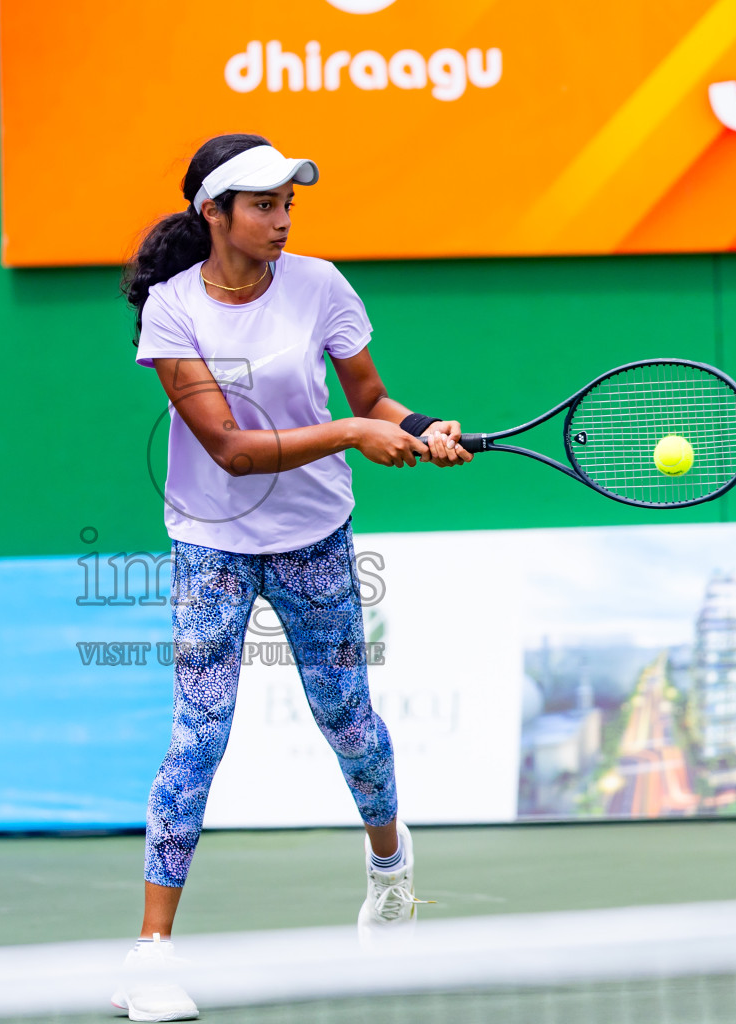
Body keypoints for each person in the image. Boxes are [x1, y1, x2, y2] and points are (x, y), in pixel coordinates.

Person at [114, 133, 471, 1022]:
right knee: (197, 739)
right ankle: (150, 957)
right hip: (212, 543)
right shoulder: (171, 311)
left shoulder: (320, 284)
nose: (279, 221)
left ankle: (391, 873)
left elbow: (370, 398)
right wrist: (357, 437)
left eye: (287, 206)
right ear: (215, 213)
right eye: (263, 205)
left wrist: (419, 425)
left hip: (315, 534)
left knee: (348, 721)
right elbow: (231, 451)